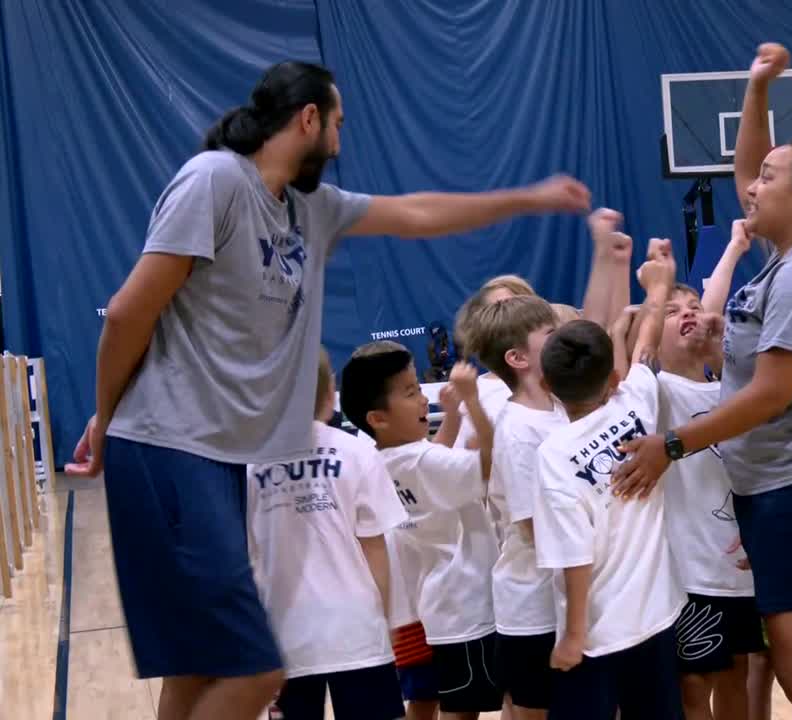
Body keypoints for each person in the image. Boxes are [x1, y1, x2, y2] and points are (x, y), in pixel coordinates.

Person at [63, 60, 590, 720]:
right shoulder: (216, 180)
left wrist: (528, 198)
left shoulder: (310, 208)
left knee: (201, 664)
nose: (340, 142)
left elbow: (417, 213)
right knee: (256, 670)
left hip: (218, 454)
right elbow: (127, 312)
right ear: (307, 119)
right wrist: (106, 419)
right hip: (169, 445)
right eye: (337, 125)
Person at [612, 42, 792, 720]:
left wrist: (670, 445)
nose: (752, 188)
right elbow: (748, 170)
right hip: (782, 487)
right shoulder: (789, 254)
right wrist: (758, 88)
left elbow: (770, 395)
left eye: (769, 179)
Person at [533, 242, 687, 719]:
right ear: (613, 378)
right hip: (657, 617)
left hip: (597, 636)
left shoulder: (554, 455)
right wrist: (658, 285)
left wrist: (573, 635)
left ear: (546, 384)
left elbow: (574, 556)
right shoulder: (636, 403)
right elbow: (646, 347)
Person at [341, 341, 502, 720]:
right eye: (411, 392)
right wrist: (473, 402)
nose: (419, 401)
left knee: (436, 700)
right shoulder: (424, 460)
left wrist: (453, 417)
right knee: (463, 709)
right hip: (466, 606)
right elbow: (487, 462)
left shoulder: (379, 459)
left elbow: (435, 461)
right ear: (378, 417)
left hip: (429, 606)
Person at [246, 348, 408, 720]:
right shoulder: (357, 452)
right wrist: (386, 616)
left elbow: (247, 553)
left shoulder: (250, 463)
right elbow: (375, 550)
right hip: (356, 627)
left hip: (284, 633)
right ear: (328, 390)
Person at [658, 223, 762, 720]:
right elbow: (706, 305)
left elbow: (712, 307)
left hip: (741, 566)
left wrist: (737, 247)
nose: (689, 316)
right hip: (689, 571)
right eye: (672, 312)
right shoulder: (654, 390)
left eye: (692, 310)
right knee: (693, 685)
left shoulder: (731, 386)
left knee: (736, 675)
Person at [468, 295, 566, 719]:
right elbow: (534, 530)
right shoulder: (519, 431)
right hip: (535, 608)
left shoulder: (562, 407)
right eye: (551, 334)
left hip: (567, 598)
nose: (562, 339)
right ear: (518, 358)